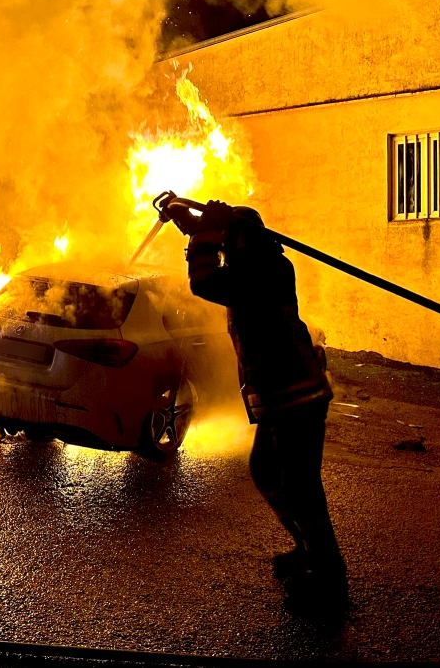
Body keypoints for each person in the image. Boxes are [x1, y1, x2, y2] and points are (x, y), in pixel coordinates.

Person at [165, 198, 349, 611]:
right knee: (267, 471)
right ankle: (309, 548)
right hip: (280, 396)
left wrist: (205, 232)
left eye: (231, 240)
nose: (227, 248)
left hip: (296, 395)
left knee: (301, 485)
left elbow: (205, 281)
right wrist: (193, 224)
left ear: (244, 242)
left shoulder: (264, 272)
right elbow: (216, 255)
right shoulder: (260, 264)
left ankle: (328, 574)